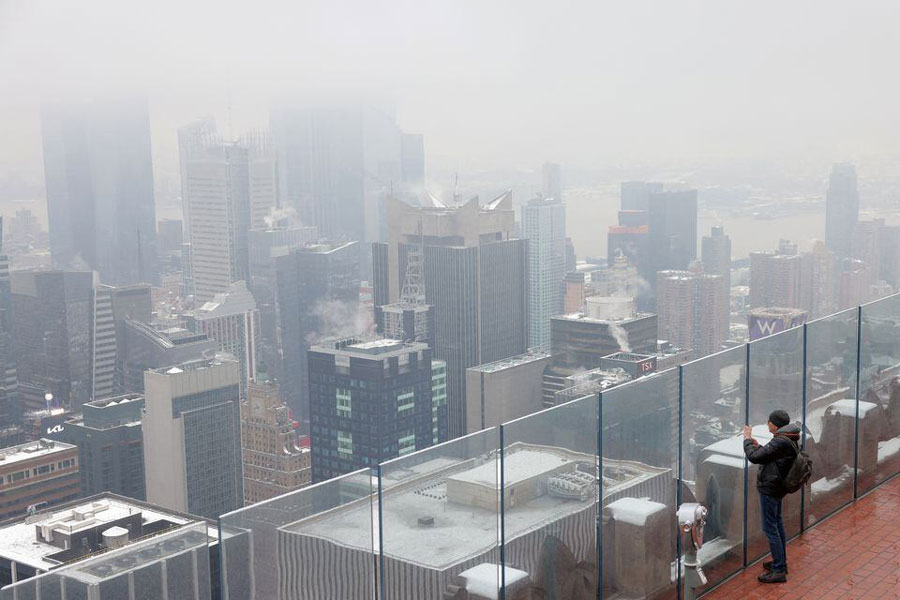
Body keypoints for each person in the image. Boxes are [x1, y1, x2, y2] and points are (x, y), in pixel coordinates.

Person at [742, 409, 801, 584]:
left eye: (769, 421)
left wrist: (747, 439)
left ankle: (779, 569)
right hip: (778, 486)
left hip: (771, 488)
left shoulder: (780, 441)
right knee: (777, 523)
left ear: (774, 425)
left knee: (770, 528)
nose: (767, 423)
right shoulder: (788, 437)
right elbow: (771, 456)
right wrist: (758, 446)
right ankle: (780, 561)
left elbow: (754, 457)